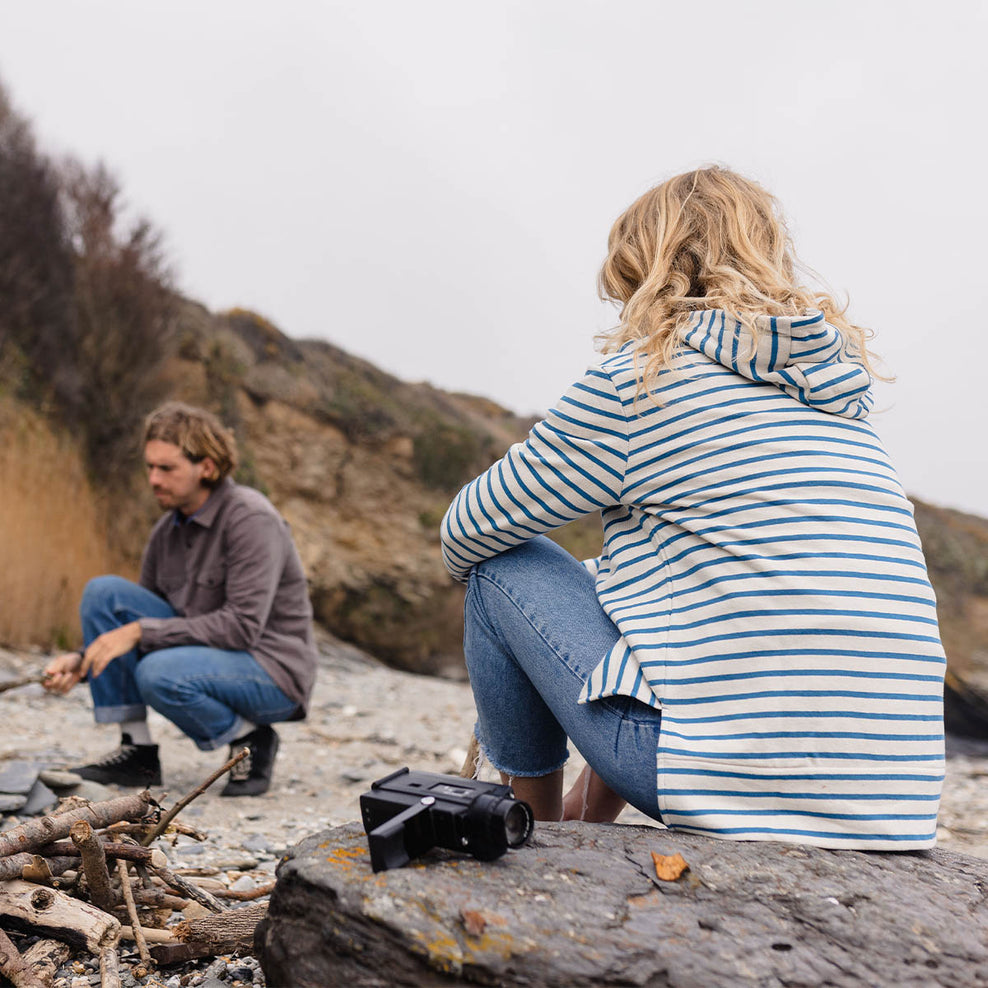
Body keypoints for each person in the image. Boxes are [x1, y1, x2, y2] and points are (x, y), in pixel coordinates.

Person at [441, 166, 946, 850]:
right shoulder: (839, 405)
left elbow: (467, 530)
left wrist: (598, 581)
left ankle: (537, 840)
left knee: (507, 567)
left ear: (643, 269)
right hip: (895, 803)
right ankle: (586, 832)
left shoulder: (645, 381)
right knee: (651, 603)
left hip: (724, 778)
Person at [44, 402, 318, 797]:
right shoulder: (166, 531)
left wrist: (138, 632)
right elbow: (141, 626)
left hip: (272, 671)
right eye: (150, 467)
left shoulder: (252, 519)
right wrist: (83, 657)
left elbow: (240, 627)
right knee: (104, 593)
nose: (153, 479)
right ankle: (137, 752)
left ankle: (252, 740)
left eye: (166, 468)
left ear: (206, 467)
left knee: (157, 671)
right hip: (204, 656)